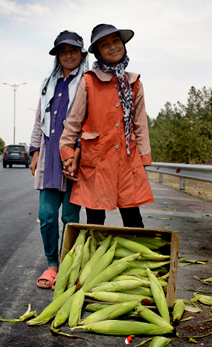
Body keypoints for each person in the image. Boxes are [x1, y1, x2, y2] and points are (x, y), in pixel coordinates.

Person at [59, 23, 154, 228]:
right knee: (95, 220)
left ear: (123, 45)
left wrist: (144, 159)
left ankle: (134, 258)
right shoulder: (89, 81)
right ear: (98, 53)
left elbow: (140, 124)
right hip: (96, 161)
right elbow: (74, 121)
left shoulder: (134, 82)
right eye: (104, 45)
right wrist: (67, 152)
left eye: (115, 41)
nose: (112, 47)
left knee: (133, 219)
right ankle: (95, 257)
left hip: (127, 161)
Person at [29, 30, 88, 289]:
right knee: (47, 215)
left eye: (73, 50)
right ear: (57, 56)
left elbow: (89, 120)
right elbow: (39, 119)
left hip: (74, 158)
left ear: (81, 54)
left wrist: (77, 153)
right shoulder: (48, 83)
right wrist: (34, 151)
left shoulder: (87, 81)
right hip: (49, 157)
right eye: (63, 51)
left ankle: (67, 264)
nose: (68, 55)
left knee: (70, 217)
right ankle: (52, 264)